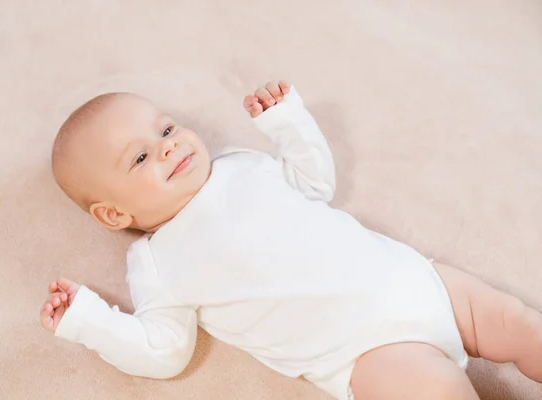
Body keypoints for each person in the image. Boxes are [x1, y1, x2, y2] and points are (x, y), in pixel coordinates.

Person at [41, 80, 542, 399]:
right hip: (368, 352)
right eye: (141, 158)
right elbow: (162, 351)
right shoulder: (156, 262)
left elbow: (314, 184)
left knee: (518, 323)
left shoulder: (238, 162)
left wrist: (288, 123)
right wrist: (89, 321)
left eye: (166, 127)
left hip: (420, 281)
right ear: (113, 213)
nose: (168, 146)